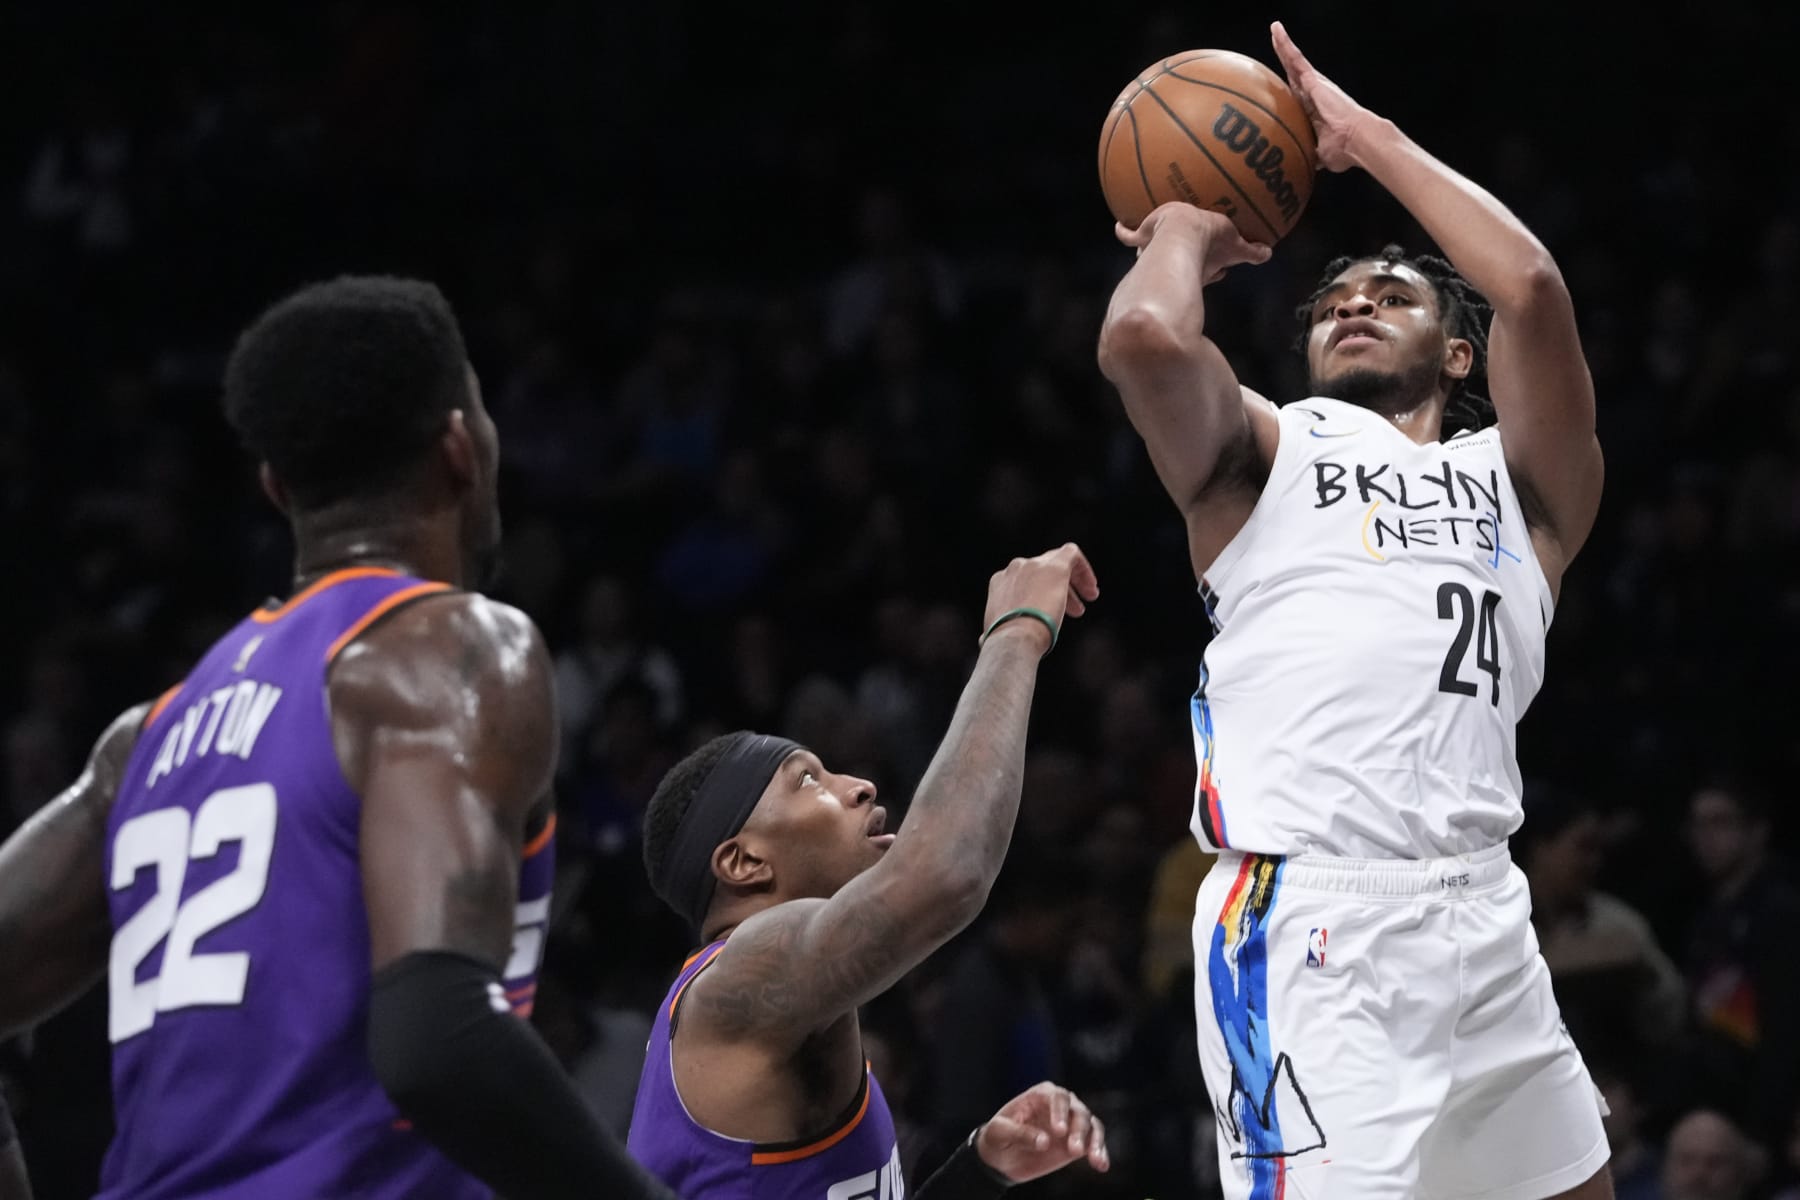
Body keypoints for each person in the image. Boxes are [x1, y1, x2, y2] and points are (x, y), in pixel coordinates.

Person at [0, 277, 674, 1200]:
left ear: (277, 487)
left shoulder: (142, 742)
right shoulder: (450, 650)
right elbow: (438, 1037)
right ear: (461, 446)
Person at [1096, 22, 1609, 1200]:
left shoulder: (1525, 490)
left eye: (1394, 294)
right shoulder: (1266, 453)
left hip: (1483, 906)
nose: (1357, 302)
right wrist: (1182, 227)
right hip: (1312, 922)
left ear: (1463, 356)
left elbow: (1532, 287)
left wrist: (1365, 140)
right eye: (1334, 299)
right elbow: (1142, 336)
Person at [628, 543, 1114, 1196]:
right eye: (808, 781)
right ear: (744, 862)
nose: (858, 785)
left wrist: (978, 1171)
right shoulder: (739, 976)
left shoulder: (788, 1006)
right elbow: (944, 875)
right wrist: (1016, 632)